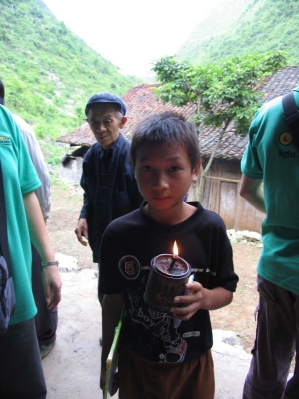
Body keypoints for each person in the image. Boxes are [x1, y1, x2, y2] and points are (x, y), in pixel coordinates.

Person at [99, 112, 239, 399]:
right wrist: (108, 360)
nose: (159, 183)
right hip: (137, 362)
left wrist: (204, 299)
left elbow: (227, 289)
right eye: (147, 168)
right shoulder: (118, 234)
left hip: (192, 364)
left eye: (173, 168)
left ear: (195, 169)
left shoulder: (210, 229)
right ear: (133, 168)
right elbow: (112, 301)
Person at [239, 88, 299, 399]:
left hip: (276, 269)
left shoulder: (270, 113)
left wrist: (281, 212)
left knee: (267, 370)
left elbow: (247, 190)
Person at [0, 103, 62, 398]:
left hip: (12, 286)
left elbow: (29, 191)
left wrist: (48, 262)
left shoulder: (6, 123)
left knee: (24, 387)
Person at [75, 92, 143, 306]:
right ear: (88, 123)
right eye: (94, 122)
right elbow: (89, 194)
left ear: (122, 122)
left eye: (107, 121)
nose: (100, 128)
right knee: (105, 290)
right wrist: (84, 216)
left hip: (131, 244)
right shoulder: (91, 157)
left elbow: (146, 205)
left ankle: (124, 337)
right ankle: (109, 332)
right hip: (102, 240)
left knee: (131, 293)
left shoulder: (136, 156)